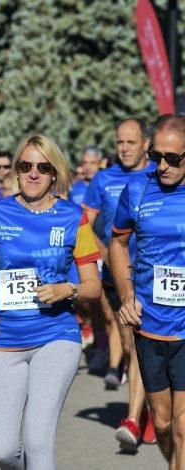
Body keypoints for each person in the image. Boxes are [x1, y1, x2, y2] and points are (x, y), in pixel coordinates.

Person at [0, 134, 101, 470]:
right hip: (3, 337)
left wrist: (66, 290)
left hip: (56, 334)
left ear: (54, 173)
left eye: (43, 167)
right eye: (25, 166)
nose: (34, 174)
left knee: (38, 441)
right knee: (3, 449)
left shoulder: (74, 217)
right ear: (16, 170)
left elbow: (94, 287)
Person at [112, 115, 185, 468]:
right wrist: (127, 295)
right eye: (157, 156)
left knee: (184, 426)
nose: (163, 166)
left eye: (174, 158)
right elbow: (118, 242)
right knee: (162, 422)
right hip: (150, 322)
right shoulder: (139, 188)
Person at [82, 118, 157, 451]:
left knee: (157, 345)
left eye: (130, 142)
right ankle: (138, 414)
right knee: (132, 344)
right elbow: (84, 225)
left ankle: (145, 412)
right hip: (120, 277)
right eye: (119, 143)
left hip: (158, 276)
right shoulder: (104, 178)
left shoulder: (161, 174)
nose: (124, 148)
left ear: (145, 144)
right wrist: (107, 253)